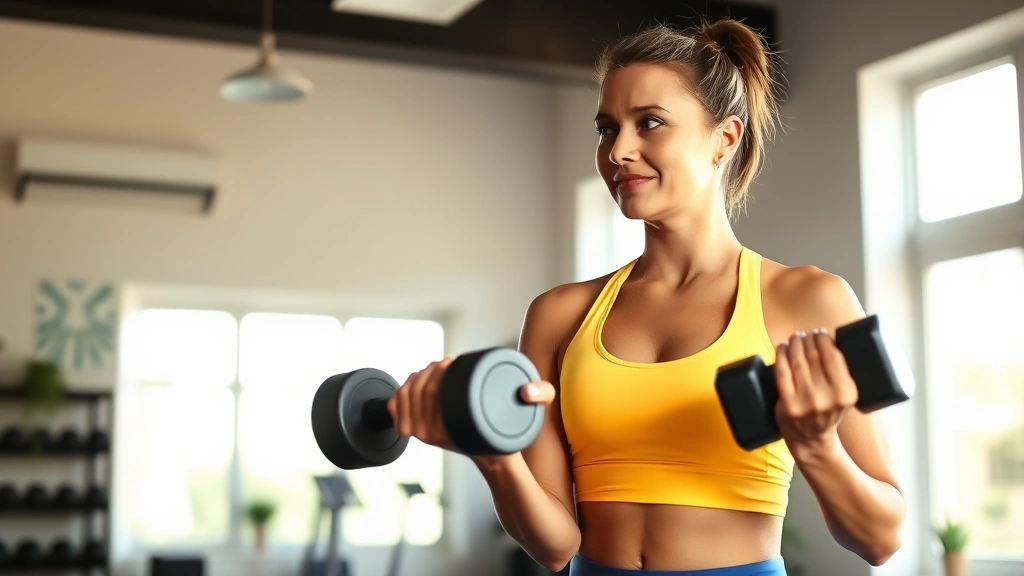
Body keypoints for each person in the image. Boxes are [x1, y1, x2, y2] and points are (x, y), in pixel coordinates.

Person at [386, 17, 906, 576]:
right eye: (608, 129)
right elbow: (555, 544)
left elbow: (880, 539)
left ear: (724, 138)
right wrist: (494, 456)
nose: (619, 151)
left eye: (650, 123)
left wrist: (816, 447)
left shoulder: (809, 300)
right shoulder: (559, 315)